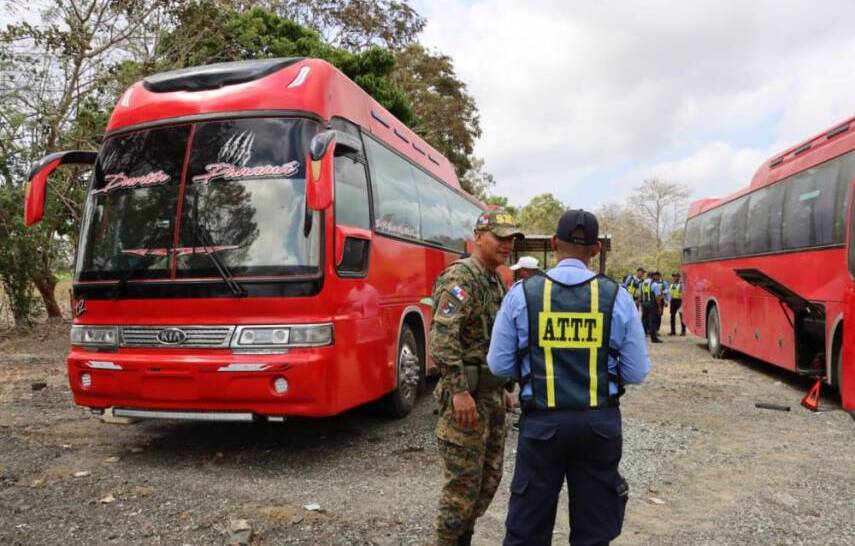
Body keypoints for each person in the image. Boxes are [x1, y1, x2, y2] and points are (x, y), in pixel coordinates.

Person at [487, 209, 650, 545]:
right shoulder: (617, 297)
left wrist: (533, 368)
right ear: (595, 250)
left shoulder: (523, 294)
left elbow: (499, 365)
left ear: (553, 243)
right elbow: (636, 372)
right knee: (594, 529)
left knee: (528, 527)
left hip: (542, 423)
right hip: (599, 425)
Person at [430, 209, 523, 546]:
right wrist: (458, 391)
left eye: (511, 238)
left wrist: (504, 387)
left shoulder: (495, 278)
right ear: (479, 236)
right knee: (461, 490)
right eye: (500, 236)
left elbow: (493, 339)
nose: (507, 244)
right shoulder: (461, 278)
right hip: (466, 400)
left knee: (487, 482)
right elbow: (442, 338)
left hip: (491, 397)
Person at [639, 271, 664, 343]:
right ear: (653, 276)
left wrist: (641, 303)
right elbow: (657, 297)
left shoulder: (642, 283)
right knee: (653, 321)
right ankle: (654, 338)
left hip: (644, 303)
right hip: (652, 304)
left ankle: (643, 336)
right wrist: (659, 307)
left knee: (644, 319)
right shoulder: (654, 284)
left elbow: (640, 294)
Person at [668, 272, 686, 336]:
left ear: (679, 277)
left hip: (680, 301)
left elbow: (684, 293)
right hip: (673, 301)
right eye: (674, 276)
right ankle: (673, 331)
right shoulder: (671, 285)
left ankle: (683, 331)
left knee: (682, 317)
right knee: (672, 317)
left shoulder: (682, 284)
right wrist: (669, 301)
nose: (674, 278)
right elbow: (669, 293)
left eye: (676, 276)